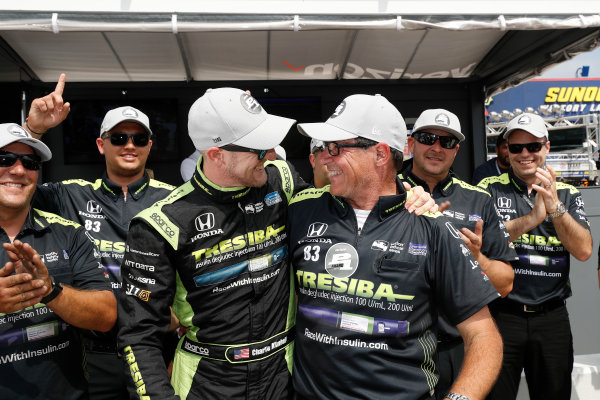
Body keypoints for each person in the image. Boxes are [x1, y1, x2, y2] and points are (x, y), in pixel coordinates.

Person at [116, 88, 438, 399]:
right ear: (216, 154)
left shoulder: (280, 179)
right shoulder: (159, 224)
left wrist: (404, 191)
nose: (270, 155)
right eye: (258, 148)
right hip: (208, 380)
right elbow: (138, 337)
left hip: (281, 378)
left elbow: (346, 194)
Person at [290, 94, 503, 400]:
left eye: (337, 147)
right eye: (324, 148)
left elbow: (484, 335)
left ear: (379, 153)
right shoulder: (301, 209)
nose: (326, 157)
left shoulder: (432, 227)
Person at [22, 74, 176, 400]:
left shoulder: (175, 199)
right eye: (119, 138)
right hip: (91, 351)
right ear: (101, 144)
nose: (129, 145)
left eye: (139, 138)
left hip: (155, 349)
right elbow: (14, 185)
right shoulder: (72, 195)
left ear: (150, 145)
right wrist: (33, 130)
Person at [401, 108, 517, 399]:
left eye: (447, 142)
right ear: (411, 142)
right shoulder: (389, 191)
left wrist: (475, 258)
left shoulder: (479, 198)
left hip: (459, 347)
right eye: (428, 138)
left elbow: (505, 284)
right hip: (401, 347)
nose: (437, 148)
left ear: (457, 151)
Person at [478, 113, 593, 400]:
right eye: (516, 148)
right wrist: (531, 219)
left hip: (551, 316)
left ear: (547, 147)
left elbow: (583, 250)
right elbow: (482, 245)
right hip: (502, 315)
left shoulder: (567, 193)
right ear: (506, 151)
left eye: (533, 146)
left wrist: (554, 207)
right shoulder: (488, 188)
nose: (525, 154)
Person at [0, 123, 116, 399]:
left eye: (30, 162)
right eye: (4, 159)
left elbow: (106, 316)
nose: (18, 170)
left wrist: (50, 290)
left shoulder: (68, 232)